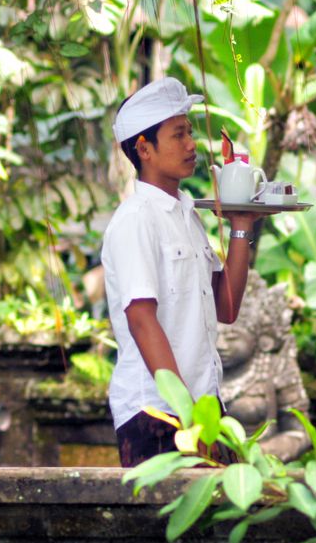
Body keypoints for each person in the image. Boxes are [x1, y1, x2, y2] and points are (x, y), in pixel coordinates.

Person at [101, 78, 261, 467]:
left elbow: (225, 306)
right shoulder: (136, 219)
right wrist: (188, 418)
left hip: (203, 409)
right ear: (144, 149)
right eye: (178, 135)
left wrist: (241, 225)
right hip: (156, 413)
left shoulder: (187, 216)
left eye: (189, 132)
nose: (191, 144)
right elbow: (141, 319)